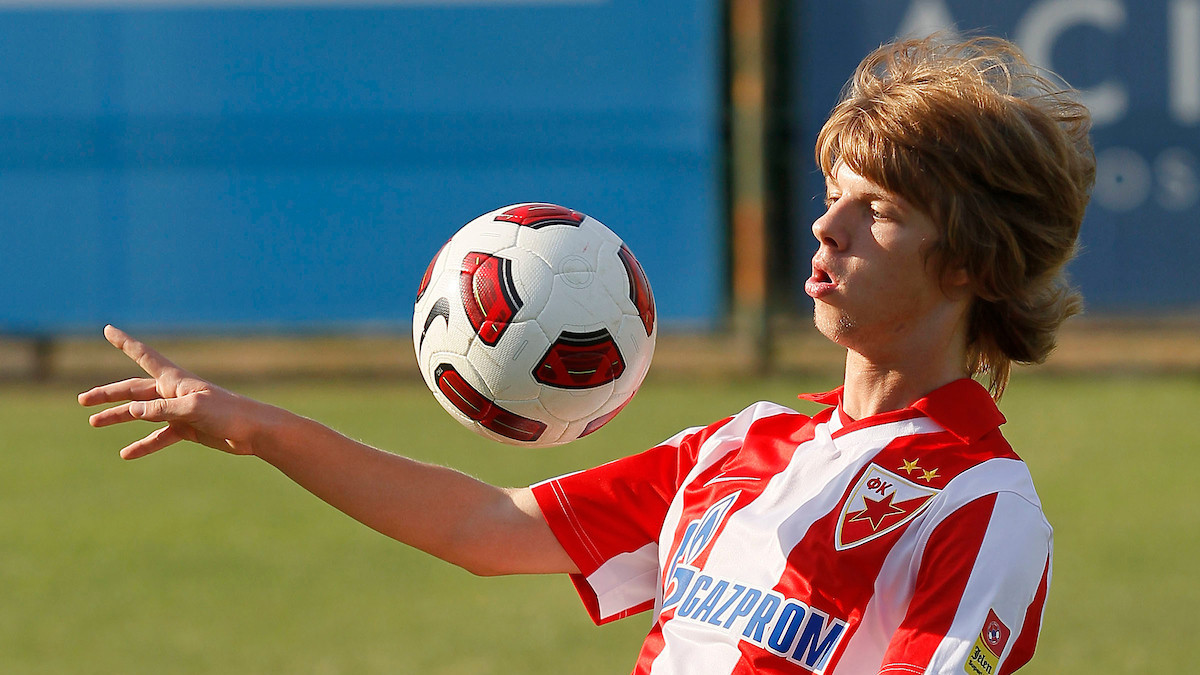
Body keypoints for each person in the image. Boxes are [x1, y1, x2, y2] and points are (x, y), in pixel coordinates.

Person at [79, 34, 1094, 674]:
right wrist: (255, 427)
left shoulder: (980, 505)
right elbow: (485, 526)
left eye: (878, 212)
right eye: (831, 199)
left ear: (970, 259)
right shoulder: (747, 446)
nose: (827, 232)